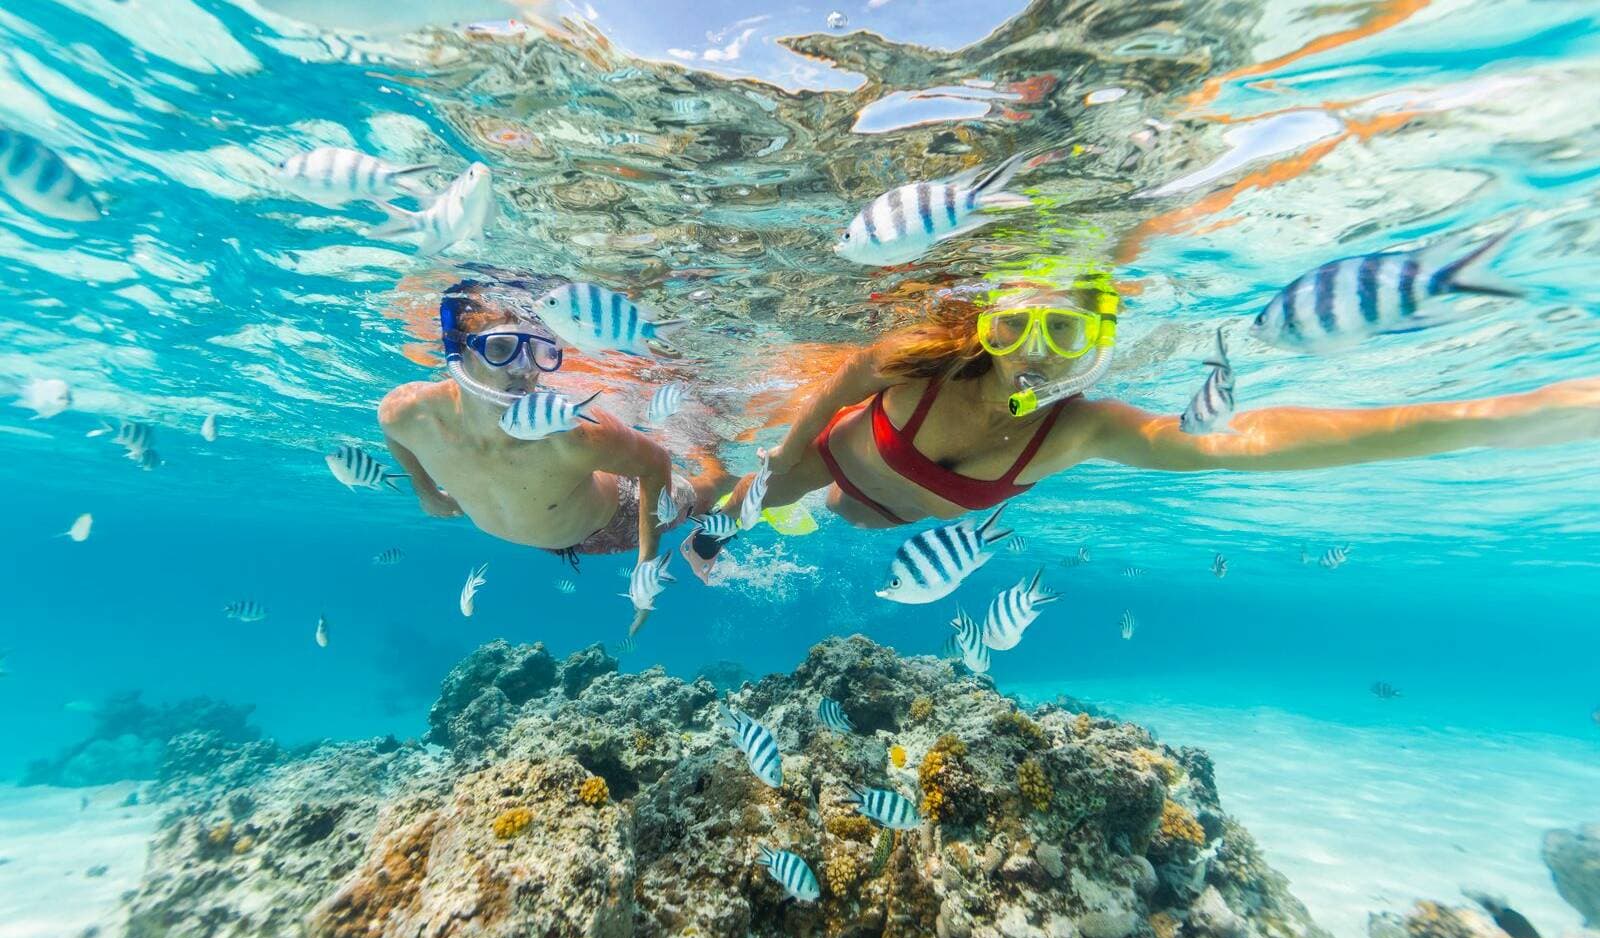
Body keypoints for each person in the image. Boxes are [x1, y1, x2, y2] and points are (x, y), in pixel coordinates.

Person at [684, 274, 1600, 576]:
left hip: (884, 516)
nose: (1028, 357)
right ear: (986, 321)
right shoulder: (924, 352)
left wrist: (1484, 419)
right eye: (1012, 325)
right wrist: (777, 455)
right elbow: (841, 376)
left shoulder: (1082, 430)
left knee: (814, 520)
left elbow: (1243, 443)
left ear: (1102, 342)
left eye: (1068, 331)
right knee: (729, 509)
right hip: (828, 466)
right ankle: (706, 493)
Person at [379, 274, 726, 601]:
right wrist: (425, 492)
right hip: (553, 534)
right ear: (458, 352)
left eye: (541, 353)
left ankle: (723, 477)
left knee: (706, 491)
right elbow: (392, 432)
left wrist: (646, 561)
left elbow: (656, 462)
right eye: (501, 349)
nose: (524, 368)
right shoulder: (409, 413)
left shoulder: (573, 434)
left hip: (618, 520)